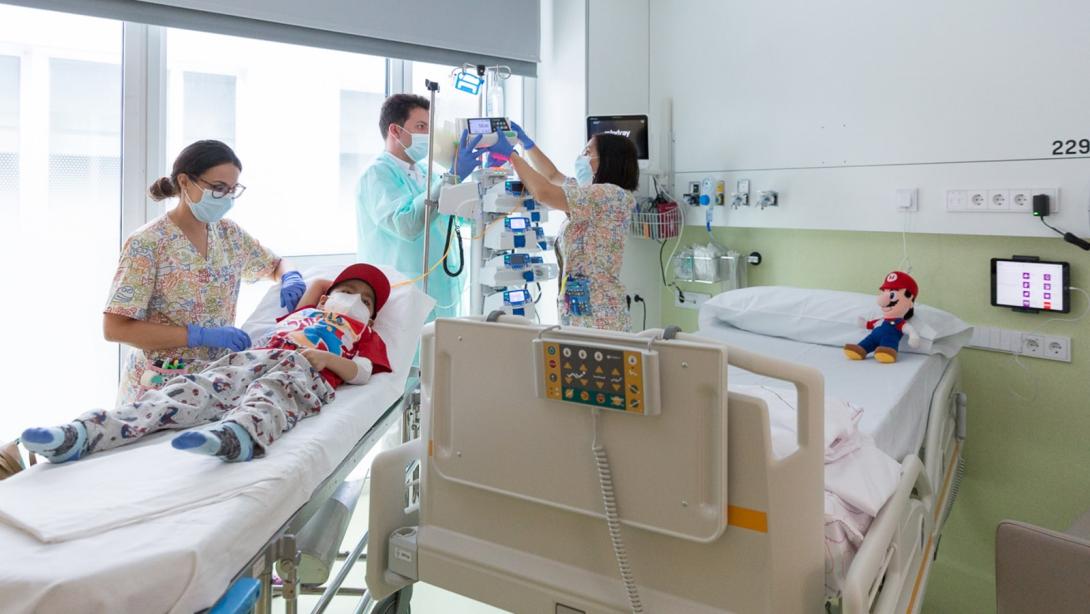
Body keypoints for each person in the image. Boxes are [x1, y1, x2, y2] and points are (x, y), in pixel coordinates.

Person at [22, 264, 393, 463]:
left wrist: (327, 358)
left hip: (304, 370)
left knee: (270, 395)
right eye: (347, 292)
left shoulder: (365, 333)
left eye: (365, 299)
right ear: (327, 296)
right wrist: (327, 291)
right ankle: (84, 433)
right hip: (255, 356)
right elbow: (320, 284)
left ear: (372, 317)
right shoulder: (308, 312)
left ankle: (239, 435)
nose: (353, 300)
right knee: (189, 391)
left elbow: (360, 372)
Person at [104, 140, 307, 405]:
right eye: (218, 188)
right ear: (185, 182)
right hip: (158, 384)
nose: (226, 197)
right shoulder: (148, 243)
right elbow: (115, 328)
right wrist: (195, 335)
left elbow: (276, 264)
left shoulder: (229, 234)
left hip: (213, 379)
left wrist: (291, 276)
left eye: (233, 190)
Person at [492, 126, 640, 331]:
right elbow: (552, 175)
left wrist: (512, 156)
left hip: (601, 314)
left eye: (588, 152)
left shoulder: (609, 195)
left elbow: (544, 192)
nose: (581, 157)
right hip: (580, 308)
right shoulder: (588, 192)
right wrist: (526, 143)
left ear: (608, 160)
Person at [354, 94, 484, 319]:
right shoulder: (376, 175)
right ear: (395, 131)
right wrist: (450, 177)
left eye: (429, 128)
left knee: (440, 351)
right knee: (409, 353)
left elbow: (461, 217)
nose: (428, 135)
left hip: (441, 291)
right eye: (421, 126)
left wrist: (487, 182)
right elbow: (406, 224)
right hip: (399, 294)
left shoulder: (428, 173)